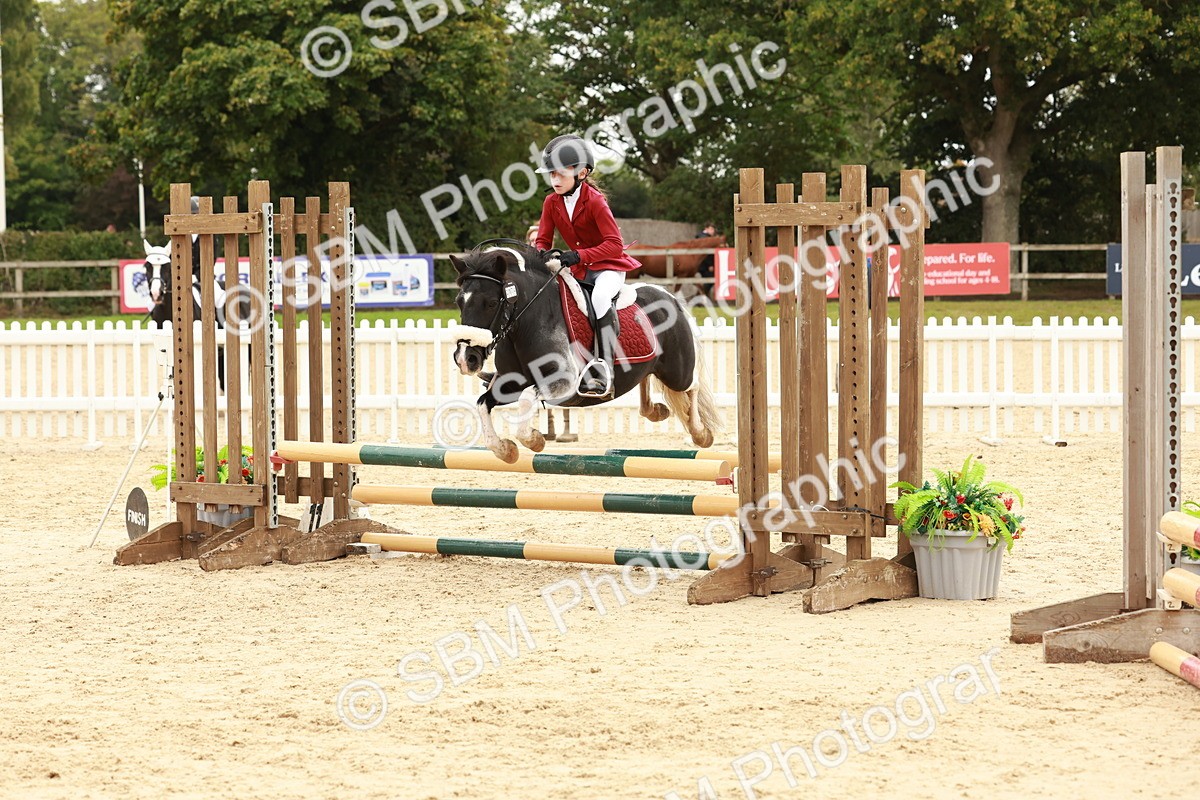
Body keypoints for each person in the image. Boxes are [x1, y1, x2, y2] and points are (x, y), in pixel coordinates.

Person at [534, 134, 640, 399]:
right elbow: (543, 240)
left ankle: (604, 368)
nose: (555, 180)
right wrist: (540, 255)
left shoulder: (595, 201)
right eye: (551, 175)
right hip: (579, 269)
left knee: (602, 297)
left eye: (560, 174)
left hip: (608, 267)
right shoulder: (551, 202)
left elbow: (615, 244)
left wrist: (578, 255)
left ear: (581, 172)